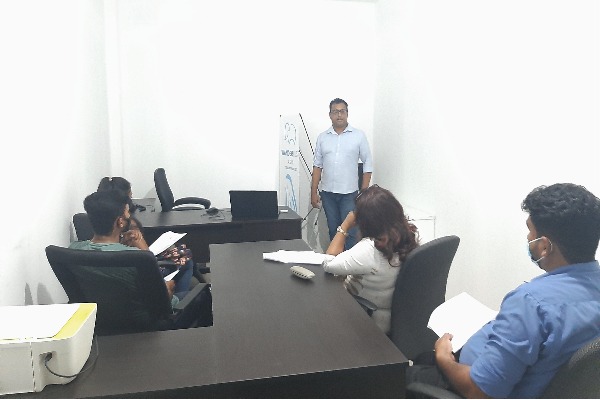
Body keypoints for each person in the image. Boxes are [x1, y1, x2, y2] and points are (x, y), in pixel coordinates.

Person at [407, 183, 600, 398]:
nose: (528, 238)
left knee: (402, 375)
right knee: (424, 358)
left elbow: (479, 391)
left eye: (530, 230)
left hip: (469, 386)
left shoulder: (531, 303)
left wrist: (444, 359)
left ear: (545, 246)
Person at [69, 190, 210, 328]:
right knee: (204, 293)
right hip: (147, 324)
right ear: (120, 222)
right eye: (127, 213)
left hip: (101, 323)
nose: (129, 216)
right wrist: (145, 252)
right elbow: (164, 297)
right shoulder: (135, 258)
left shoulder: (73, 251)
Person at [321, 185, 419, 334]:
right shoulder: (406, 235)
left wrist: (345, 226)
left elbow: (328, 263)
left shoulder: (370, 250)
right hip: (386, 315)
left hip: (362, 317)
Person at [96, 176, 195, 292]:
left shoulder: (97, 222)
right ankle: (182, 298)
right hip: (143, 275)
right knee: (185, 257)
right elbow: (150, 264)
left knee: (180, 250)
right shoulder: (130, 228)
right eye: (129, 197)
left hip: (118, 279)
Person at [311, 98, 373, 250]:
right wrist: (313, 192)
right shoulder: (322, 137)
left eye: (342, 111)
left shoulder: (358, 136)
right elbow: (317, 166)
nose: (339, 115)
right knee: (334, 230)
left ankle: (350, 264)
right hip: (328, 194)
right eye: (335, 112)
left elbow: (368, 164)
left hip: (349, 195)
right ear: (330, 115)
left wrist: (364, 192)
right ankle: (336, 262)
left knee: (351, 232)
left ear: (347, 113)